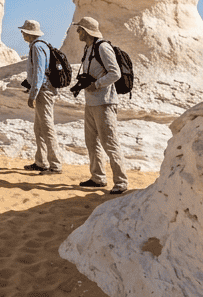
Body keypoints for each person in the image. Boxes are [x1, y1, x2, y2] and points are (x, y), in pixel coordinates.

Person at [73, 16, 128, 194]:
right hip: (91, 102)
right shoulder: (88, 48)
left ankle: (121, 182)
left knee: (109, 142)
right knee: (92, 142)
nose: (77, 32)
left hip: (104, 102)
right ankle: (98, 178)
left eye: (79, 29)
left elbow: (115, 73)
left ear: (87, 31)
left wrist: (96, 84)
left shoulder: (103, 47)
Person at [19, 19, 63, 174]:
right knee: (39, 128)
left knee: (47, 128)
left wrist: (33, 94)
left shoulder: (37, 47)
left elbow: (39, 72)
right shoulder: (40, 45)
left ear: (29, 33)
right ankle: (41, 162)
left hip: (43, 92)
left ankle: (55, 165)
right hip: (43, 91)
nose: (22, 33)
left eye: (23, 31)